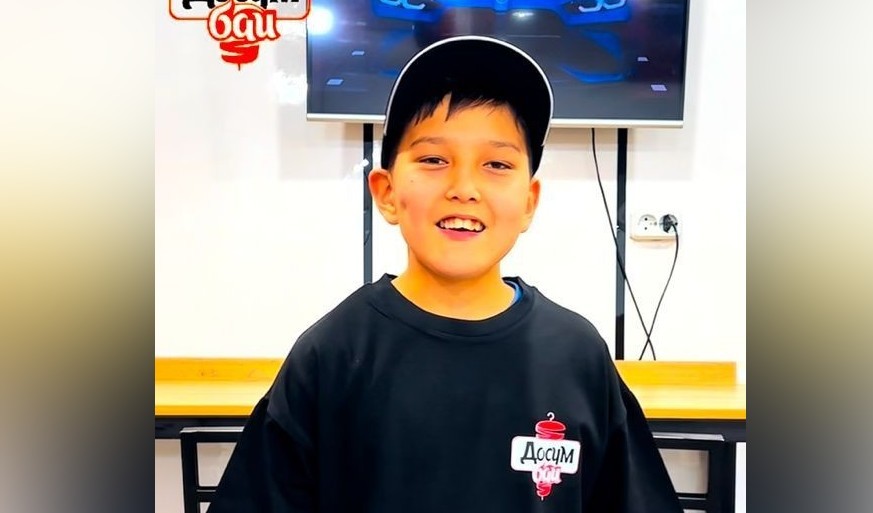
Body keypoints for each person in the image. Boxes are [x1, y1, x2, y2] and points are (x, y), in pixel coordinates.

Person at [208, 35, 682, 513]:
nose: (464, 188)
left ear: (529, 202)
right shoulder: (332, 355)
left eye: (497, 164)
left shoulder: (577, 355)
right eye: (434, 159)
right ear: (386, 193)